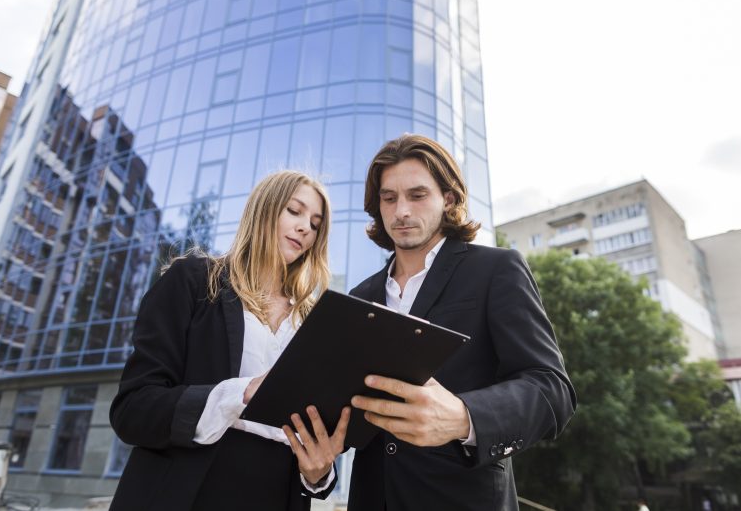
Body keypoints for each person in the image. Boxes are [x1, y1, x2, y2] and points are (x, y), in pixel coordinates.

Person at [347, 134, 577, 511]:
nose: (401, 210)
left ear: (448, 199)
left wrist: (464, 417)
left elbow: (551, 389)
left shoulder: (497, 269)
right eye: (389, 198)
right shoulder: (358, 297)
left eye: (417, 195)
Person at [109, 171, 350, 511]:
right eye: (294, 211)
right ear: (264, 209)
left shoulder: (313, 322)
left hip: (277, 495)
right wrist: (244, 392)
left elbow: (314, 441)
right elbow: (132, 410)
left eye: (315, 223)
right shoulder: (193, 281)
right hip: (189, 490)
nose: (305, 228)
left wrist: (319, 472)